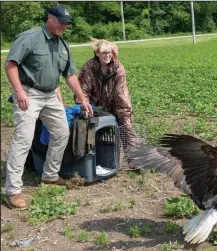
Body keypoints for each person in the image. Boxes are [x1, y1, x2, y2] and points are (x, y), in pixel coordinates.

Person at [4, 5, 93, 209]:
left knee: (62, 132)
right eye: (61, 21)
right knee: (23, 140)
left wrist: (83, 98)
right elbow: (10, 65)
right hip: (30, 93)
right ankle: (13, 190)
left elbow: (69, 75)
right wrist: (19, 92)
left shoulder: (62, 45)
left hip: (51, 95)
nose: (64, 26)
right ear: (50, 18)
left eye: (66, 23)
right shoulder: (31, 37)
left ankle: (50, 176)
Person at [74, 39, 134, 147]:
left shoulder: (118, 68)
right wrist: (85, 109)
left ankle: (135, 161)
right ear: (97, 53)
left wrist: (125, 114)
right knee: (88, 136)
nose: (107, 55)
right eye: (104, 53)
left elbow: (121, 93)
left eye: (109, 52)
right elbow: (83, 91)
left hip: (114, 105)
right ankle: (90, 159)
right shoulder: (88, 67)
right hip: (94, 107)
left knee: (127, 131)